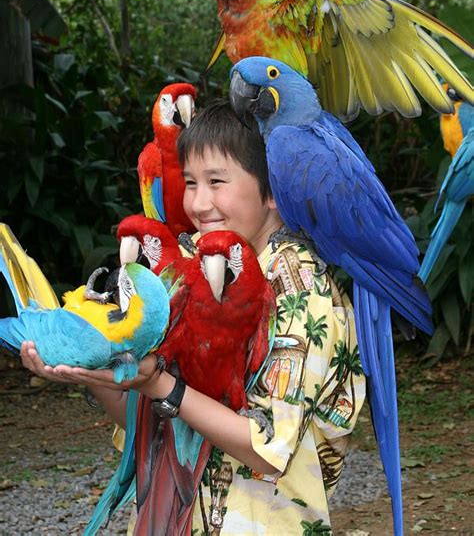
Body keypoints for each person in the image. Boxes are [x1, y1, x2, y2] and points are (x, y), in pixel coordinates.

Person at [20, 99, 365, 535]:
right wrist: (89, 369)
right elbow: (151, 413)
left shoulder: (299, 288)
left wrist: (159, 383)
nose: (199, 204)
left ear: (275, 189)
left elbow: (267, 450)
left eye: (217, 182)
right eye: (189, 182)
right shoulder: (187, 274)